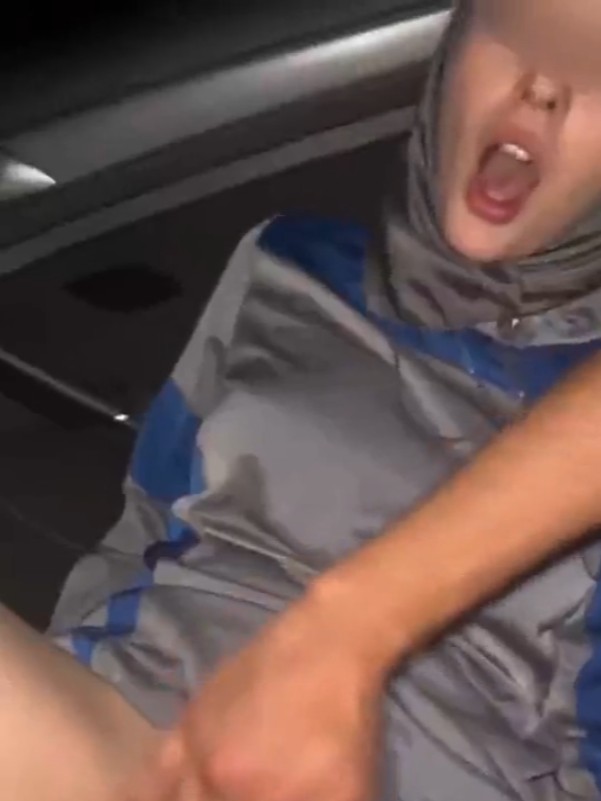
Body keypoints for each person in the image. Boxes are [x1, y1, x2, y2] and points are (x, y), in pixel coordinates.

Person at [5, 0, 601, 798]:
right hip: (130, 730)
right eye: (512, 34)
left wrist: (342, 636)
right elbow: (146, 523)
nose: (542, 88)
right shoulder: (286, 260)